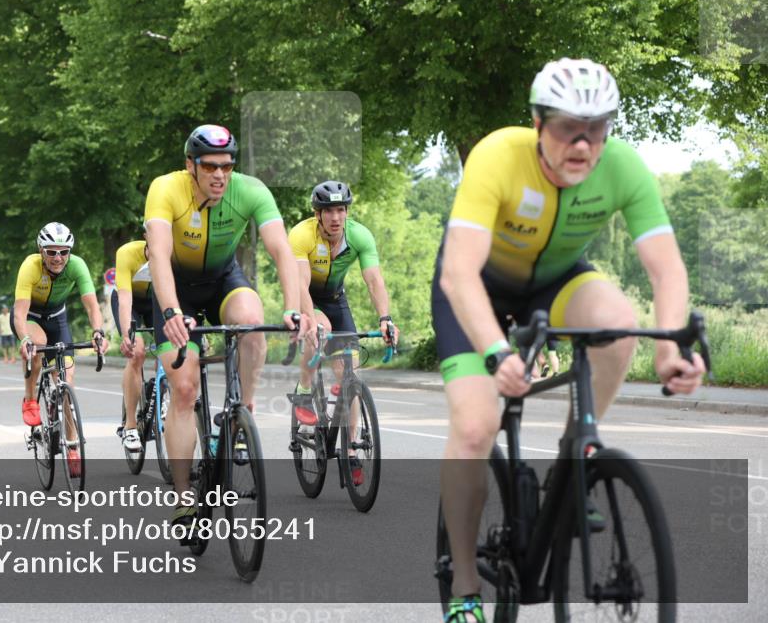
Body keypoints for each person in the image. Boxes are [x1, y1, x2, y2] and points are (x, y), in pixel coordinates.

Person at [431, 58, 706, 622]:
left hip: (554, 280)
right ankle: (462, 585)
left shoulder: (624, 167)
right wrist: (496, 353)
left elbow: (667, 270)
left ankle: (571, 464)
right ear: (537, 124)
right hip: (475, 286)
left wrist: (671, 349)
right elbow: (459, 272)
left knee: (617, 321)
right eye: (566, 128)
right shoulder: (497, 155)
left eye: (597, 128)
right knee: (478, 425)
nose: (582, 144)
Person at [144, 123, 312, 531]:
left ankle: (242, 414)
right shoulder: (166, 189)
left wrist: (293, 308)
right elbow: (160, 257)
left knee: (252, 322)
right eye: (210, 166)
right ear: (191, 166)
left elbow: (281, 251)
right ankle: (184, 496)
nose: (220, 175)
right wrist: (169, 312)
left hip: (223, 280)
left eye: (227, 166)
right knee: (184, 390)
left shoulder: (250, 190)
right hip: (175, 289)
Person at [287, 181, 400, 484]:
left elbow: (374, 280)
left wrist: (385, 319)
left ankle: (350, 451)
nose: (335, 217)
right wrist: (308, 319)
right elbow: (299, 284)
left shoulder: (359, 235)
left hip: (336, 299)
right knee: (319, 328)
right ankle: (303, 391)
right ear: (317, 214)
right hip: (306, 295)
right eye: (328, 211)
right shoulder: (301, 235)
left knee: (348, 374)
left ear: (347, 211)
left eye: (341, 210)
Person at [12, 222, 109, 478]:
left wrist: (98, 332)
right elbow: (19, 313)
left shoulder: (77, 266)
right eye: (52, 252)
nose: (58, 258)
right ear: (41, 250)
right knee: (39, 345)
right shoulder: (29, 266)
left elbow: (92, 307)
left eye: (63, 252)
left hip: (57, 318)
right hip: (30, 318)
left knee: (67, 380)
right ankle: (31, 399)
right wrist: (24, 340)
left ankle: (73, 445)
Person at [113, 239, 155, 453]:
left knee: (174, 350)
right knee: (137, 353)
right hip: (130, 302)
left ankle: (162, 394)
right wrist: (127, 334)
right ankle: (130, 426)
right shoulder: (127, 253)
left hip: (157, 301)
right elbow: (125, 298)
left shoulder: (177, 254)